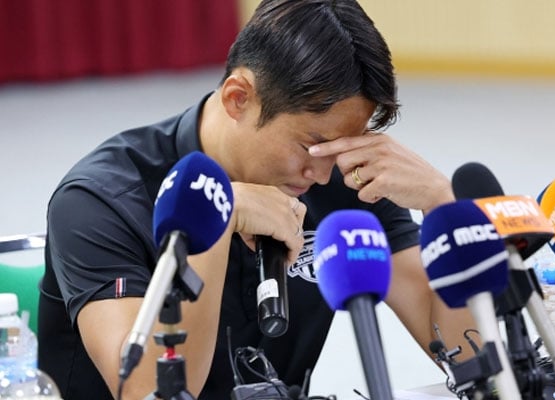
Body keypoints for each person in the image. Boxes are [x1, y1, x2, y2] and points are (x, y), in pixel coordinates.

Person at [38, 1, 477, 399]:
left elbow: (470, 360)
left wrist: (445, 208)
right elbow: (147, 393)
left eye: (343, 148)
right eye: (311, 145)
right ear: (238, 98)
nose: (322, 174)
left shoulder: (345, 178)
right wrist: (216, 218)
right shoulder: (101, 200)